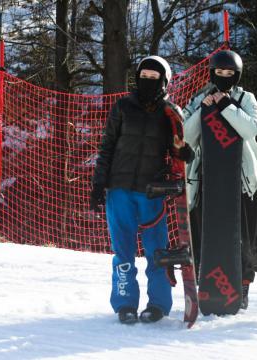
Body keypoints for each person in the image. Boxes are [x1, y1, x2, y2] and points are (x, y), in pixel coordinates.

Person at [89, 56, 193, 324]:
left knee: (156, 250)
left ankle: (158, 304)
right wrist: (99, 183)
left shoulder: (170, 112)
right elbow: (107, 146)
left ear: (164, 81)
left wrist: (183, 149)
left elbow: (181, 153)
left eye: (153, 77)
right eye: (143, 76)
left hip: (152, 191)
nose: (147, 81)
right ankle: (125, 303)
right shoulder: (123, 106)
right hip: (119, 188)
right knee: (123, 251)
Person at [182, 50, 257, 310]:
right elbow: (185, 135)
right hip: (208, 179)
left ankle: (243, 285)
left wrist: (226, 106)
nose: (224, 78)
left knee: (242, 237)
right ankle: (208, 284)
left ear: (237, 76)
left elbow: (251, 128)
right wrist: (203, 110)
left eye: (230, 74)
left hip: (241, 181)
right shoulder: (198, 99)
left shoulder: (246, 98)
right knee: (208, 235)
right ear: (212, 73)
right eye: (220, 73)